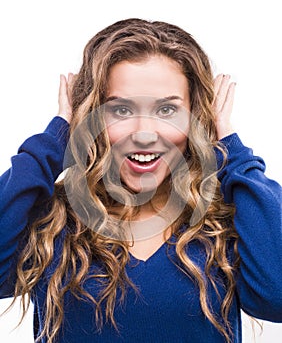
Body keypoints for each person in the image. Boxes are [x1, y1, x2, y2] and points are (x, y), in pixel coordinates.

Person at [0, 18, 281, 343]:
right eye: (120, 110)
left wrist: (230, 149)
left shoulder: (227, 223)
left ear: (196, 118)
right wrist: (56, 139)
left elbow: (277, 297)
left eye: (166, 110)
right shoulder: (53, 223)